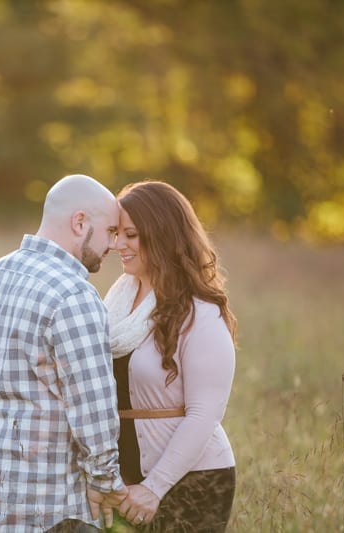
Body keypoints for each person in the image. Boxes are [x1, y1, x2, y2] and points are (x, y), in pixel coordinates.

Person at [0, 174, 128, 532]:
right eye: (110, 230)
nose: (113, 243)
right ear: (80, 222)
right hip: (51, 503)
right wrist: (104, 479)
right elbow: (91, 406)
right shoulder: (74, 295)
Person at [104, 180, 237, 531]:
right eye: (117, 233)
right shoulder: (116, 305)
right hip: (126, 483)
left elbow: (204, 413)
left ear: (161, 234)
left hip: (191, 481)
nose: (119, 245)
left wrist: (155, 487)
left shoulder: (199, 313)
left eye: (131, 235)